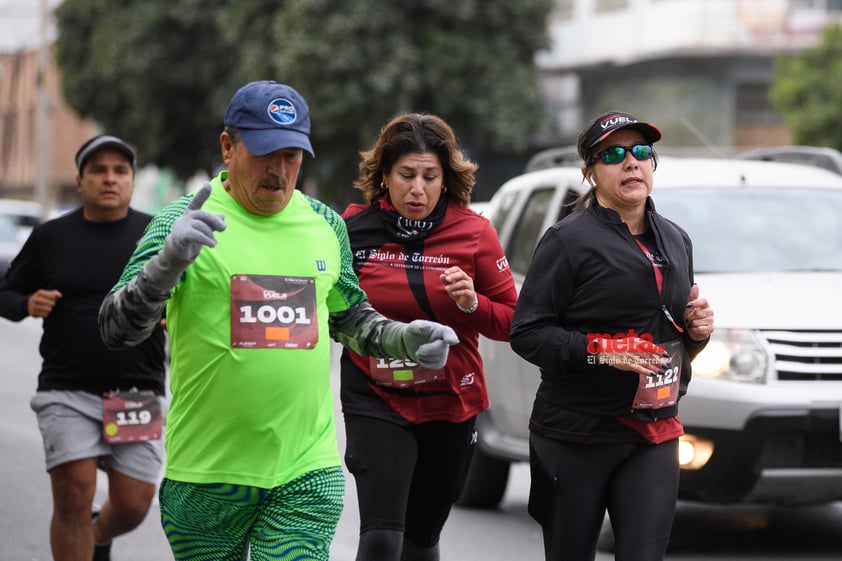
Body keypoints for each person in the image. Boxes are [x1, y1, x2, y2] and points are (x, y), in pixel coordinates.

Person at [97, 81, 459, 561]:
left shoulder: (326, 225)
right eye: (266, 152)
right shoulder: (182, 222)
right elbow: (115, 330)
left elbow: (350, 320)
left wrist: (403, 339)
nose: (280, 169)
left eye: (292, 155)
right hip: (207, 478)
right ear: (228, 147)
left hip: (305, 472)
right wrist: (166, 265)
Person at [509, 111, 715, 561]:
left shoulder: (677, 240)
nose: (631, 163)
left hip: (653, 432)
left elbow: (673, 334)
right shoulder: (567, 241)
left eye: (641, 152)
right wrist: (602, 351)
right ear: (589, 172)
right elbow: (526, 333)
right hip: (576, 433)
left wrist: (698, 332)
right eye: (614, 155)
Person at [340, 113, 518, 561]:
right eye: (406, 175)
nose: (417, 189)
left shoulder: (475, 232)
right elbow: (332, 310)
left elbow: (513, 322)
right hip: (376, 397)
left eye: (429, 176)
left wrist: (471, 304)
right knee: (382, 540)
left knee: (420, 543)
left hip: (450, 403)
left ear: (446, 179)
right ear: (384, 174)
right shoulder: (352, 228)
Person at [0, 135, 167, 561]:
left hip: (136, 389)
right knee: (74, 494)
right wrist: (26, 303)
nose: (109, 179)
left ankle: (97, 535)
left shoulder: (157, 233)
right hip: (66, 387)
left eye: (119, 171)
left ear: (131, 180)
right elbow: (5, 292)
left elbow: (194, 294)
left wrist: (174, 313)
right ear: (79, 180)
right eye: (98, 170)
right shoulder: (51, 236)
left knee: (133, 504)